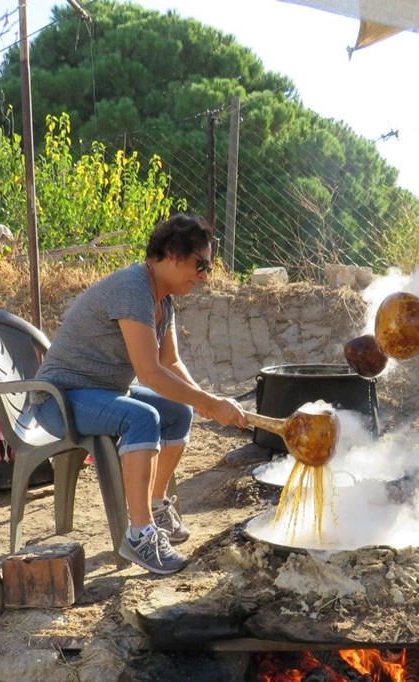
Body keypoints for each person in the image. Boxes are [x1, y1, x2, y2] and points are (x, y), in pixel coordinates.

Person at [28, 213, 247, 575]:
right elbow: (148, 372)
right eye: (201, 265)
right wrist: (210, 402)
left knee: (179, 412)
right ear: (173, 253)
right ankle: (140, 534)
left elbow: (171, 361)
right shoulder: (133, 288)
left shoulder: (164, 299)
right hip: (60, 398)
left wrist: (204, 401)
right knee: (142, 418)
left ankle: (156, 503)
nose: (205, 276)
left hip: (101, 392)